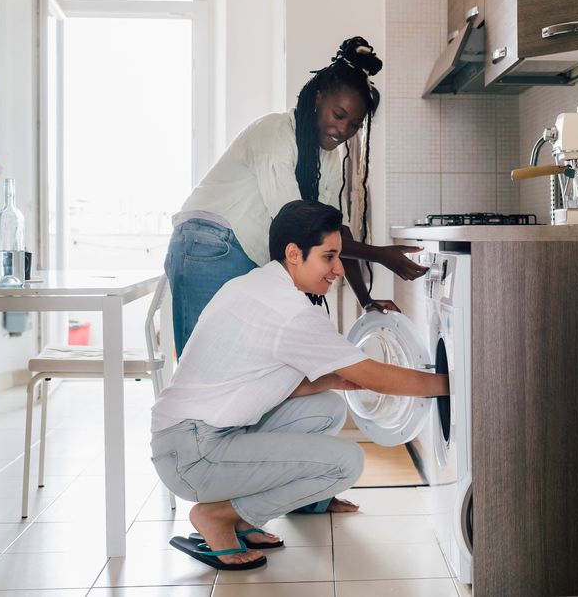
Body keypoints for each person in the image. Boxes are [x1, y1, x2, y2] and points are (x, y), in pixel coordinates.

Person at [152, 200, 449, 570]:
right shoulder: (290, 311)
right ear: (294, 254)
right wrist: (453, 383)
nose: (339, 269)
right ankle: (220, 516)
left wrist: (337, 378)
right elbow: (375, 375)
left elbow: (253, 383)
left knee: (327, 406)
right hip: (192, 455)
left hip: (189, 437)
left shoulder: (258, 284)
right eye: (329, 257)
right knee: (347, 462)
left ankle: (243, 520)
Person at [165, 35, 426, 360]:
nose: (344, 129)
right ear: (318, 99)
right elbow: (297, 225)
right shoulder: (276, 134)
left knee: (239, 369)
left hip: (244, 254)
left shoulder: (329, 157)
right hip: (208, 246)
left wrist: (366, 300)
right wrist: (380, 255)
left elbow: (335, 234)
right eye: (339, 114)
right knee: (203, 367)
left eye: (355, 124)